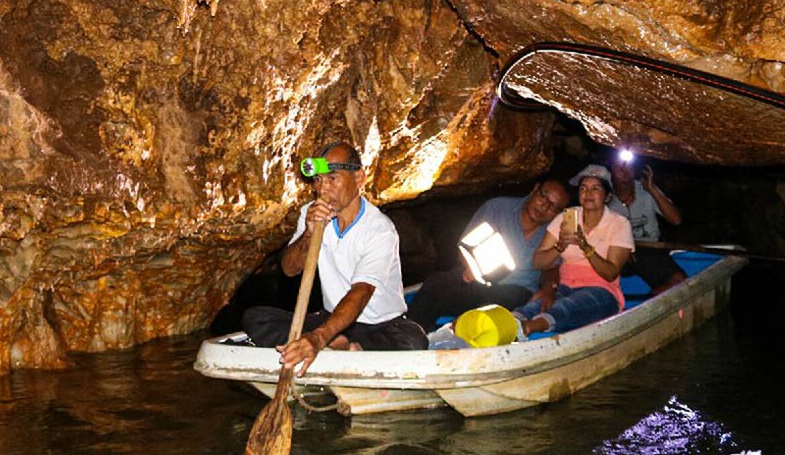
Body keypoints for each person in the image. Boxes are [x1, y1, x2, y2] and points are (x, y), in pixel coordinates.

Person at [242, 142, 427, 376]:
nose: (323, 189)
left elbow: (361, 293)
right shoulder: (310, 213)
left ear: (359, 178)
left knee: (413, 341)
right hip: (331, 320)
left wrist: (318, 337)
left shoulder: (379, 229)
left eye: (332, 179)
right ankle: (342, 346)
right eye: (318, 180)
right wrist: (309, 233)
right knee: (255, 319)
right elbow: (289, 269)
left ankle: (339, 345)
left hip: (379, 326)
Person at [407, 180, 570, 332]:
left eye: (553, 207)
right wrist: (470, 267)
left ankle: (450, 334)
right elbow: (465, 244)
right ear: (535, 189)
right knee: (437, 282)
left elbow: (551, 267)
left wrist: (550, 288)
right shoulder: (498, 208)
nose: (545, 206)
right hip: (478, 274)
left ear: (558, 213)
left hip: (518, 288)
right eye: (544, 197)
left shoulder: (554, 231)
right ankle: (410, 333)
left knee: (487, 299)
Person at [514, 164, 634, 337]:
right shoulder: (565, 218)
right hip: (564, 286)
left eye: (596, 188)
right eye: (583, 188)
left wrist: (585, 246)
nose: (588, 193)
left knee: (567, 306)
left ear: (607, 196)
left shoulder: (619, 224)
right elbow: (537, 261)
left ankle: (528, 328)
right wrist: (560, 246)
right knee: (535, 304)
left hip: (602, 291)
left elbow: (610, 273)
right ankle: (511, 321)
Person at [608, 158, 686, 294]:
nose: (625, 173)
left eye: (629, 168)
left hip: (651, 249)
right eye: (619, 170)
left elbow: (676, 219)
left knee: (679, 280)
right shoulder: (605, 197)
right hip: (619, 255)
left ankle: (647, 303)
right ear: (610, 174)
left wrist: (652, 189)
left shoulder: (646, 189)